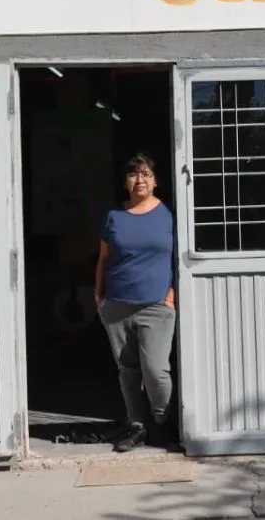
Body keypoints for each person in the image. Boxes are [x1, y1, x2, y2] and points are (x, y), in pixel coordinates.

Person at [94, 153, 177, 452]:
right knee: (127, 370)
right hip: (116, 304)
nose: (139, 180)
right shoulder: (114, 216)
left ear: (155, 181)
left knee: (155, 369)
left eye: (145, 174)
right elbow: (104, 258)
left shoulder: (169, 216)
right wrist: (99, 295)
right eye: (133, 175)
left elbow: (180, 259)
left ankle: (162, 422)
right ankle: (137, 424)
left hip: (157, 305)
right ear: (126, 182)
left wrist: (171, 295)